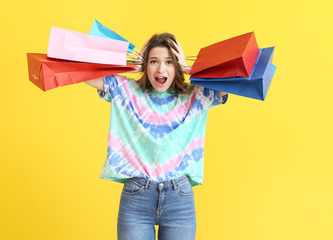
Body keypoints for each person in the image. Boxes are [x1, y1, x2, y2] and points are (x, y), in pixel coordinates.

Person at [85, 33, 228, 240]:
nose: (161, 69)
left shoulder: (195, 95)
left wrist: (189, 69)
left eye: (169, 62)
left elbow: (237, 81)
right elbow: (82, 74)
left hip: (180, 200)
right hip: (136, 198)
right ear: (146, 65)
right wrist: (129, 66)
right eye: (154, 62)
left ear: (176, 65)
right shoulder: (126, 90)